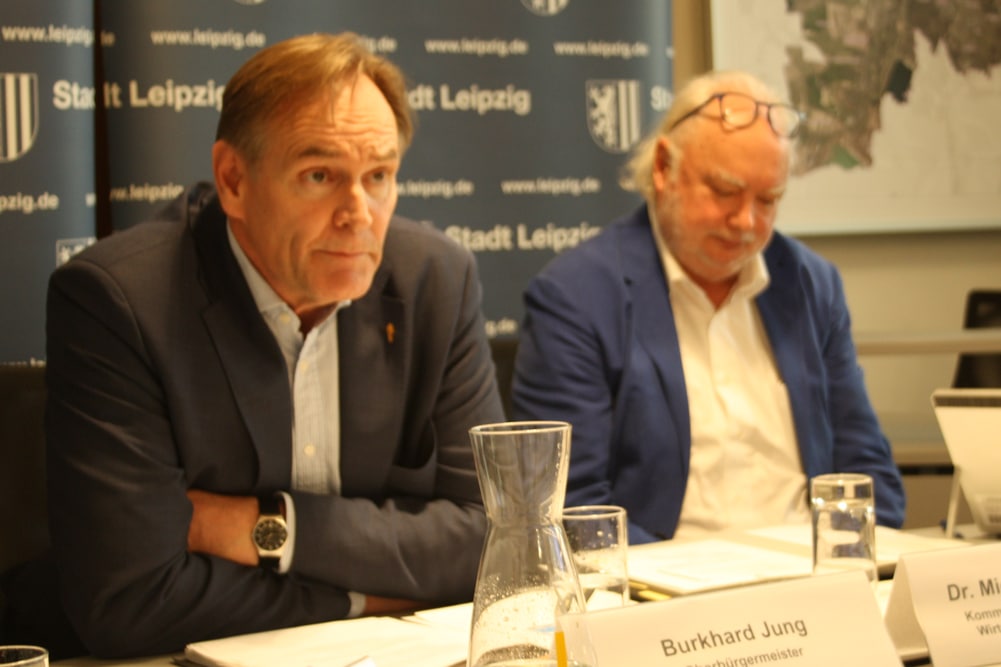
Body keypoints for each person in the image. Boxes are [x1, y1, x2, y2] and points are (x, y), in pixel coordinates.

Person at [34, 32, 504, 658]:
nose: (359, 213)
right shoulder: (119, 301)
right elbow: (132, 601)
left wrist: (261, 530)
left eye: (380, 175)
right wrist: (368, 598)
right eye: (320, 175)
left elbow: (493, 540)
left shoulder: (435, 280)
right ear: (232, 180)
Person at [511, 70, 906, 545]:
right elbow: (572, 511)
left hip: (812, 581)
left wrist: (835, 562)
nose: (746, 222)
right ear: (664, 168)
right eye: (724, 191)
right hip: (665, 594)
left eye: (768, 199)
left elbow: (870, 478)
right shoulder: (577, 297)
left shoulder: (811, 285)